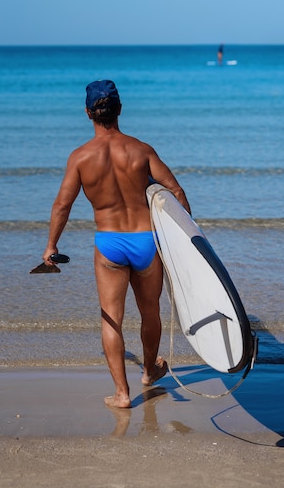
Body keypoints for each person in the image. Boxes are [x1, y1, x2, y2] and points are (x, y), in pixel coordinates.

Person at [42, 80, 191, 408]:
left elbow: (62, 206)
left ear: (87, 113)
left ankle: (122, 394)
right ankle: (150, 371)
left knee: (111, 317)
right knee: (150, 310)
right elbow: (176, 192)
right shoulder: (141, 150)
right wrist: (187, 242)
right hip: (145, 242)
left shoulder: (81, 157)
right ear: (120, 109)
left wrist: (51, 245)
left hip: (109, 243)